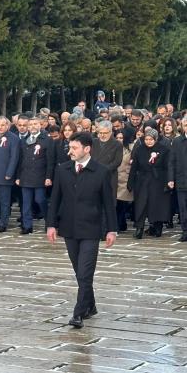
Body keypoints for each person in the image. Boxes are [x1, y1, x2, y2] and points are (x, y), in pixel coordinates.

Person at [46, 132, 117, 329]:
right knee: (79, 272)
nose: (71, 151)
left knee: (85, 272)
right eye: (70, 147)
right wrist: (51, 225)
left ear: (87, 149)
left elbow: (108, 204)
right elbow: (55, 200)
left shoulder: (101, 172)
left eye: (75, 148)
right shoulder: (63, 169)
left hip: (92, 229)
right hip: (69, 228)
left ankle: (78, 313)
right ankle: (91, 304)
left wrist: (112, 230)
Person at [129, 128, 172, 238]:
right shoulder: (139, 149)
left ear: (156, 139)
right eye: (146, 139)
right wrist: (130, 182)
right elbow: (134, 167)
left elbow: (168, 167)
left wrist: (169, 181)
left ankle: (157, 227)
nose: (148, 141)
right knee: (141, 204)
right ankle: (139, 228)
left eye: (151, 139)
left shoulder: (164, 149)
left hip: (158, 180)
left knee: (157, 204)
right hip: (142, 180)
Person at [15, 116, 51, 234]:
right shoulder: (23, 140)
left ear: (40, 125)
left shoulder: (46, 139)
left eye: (35, 124)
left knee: (40, 199)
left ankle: (49, 222)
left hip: (40, 176)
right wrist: (18, 176)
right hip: (25, 176)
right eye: (30, 125)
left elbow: (50, 161)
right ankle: (27, 226)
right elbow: (20, 160)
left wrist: (48, 177)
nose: (33, 127)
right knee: (26, 203)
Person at [116, 130, 134, 232]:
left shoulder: (130, 149)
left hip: (125, 179)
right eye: (117, 138)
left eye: (121, 138)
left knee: (122, 203)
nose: (119, 140)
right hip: (115, 178)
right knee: (116, 203)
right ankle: (120, 223)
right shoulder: (113, 148)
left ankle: (120, 223)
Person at [171, 126, 187, 241]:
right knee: (183, 208)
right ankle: (185, 231)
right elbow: (171, 161)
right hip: (181, 180)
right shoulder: (177, 141)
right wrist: (171, 179)